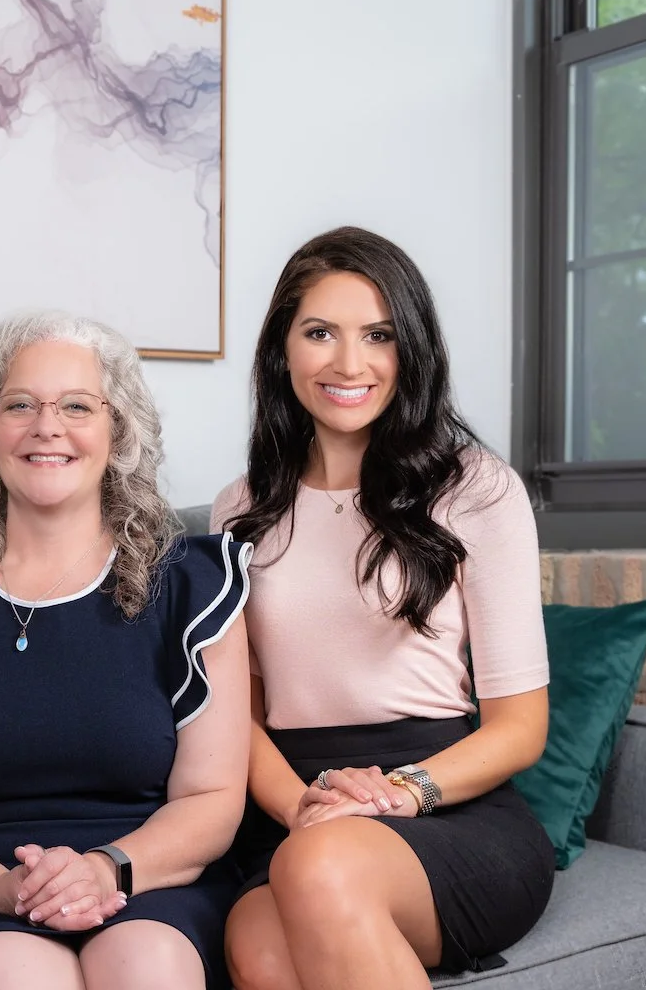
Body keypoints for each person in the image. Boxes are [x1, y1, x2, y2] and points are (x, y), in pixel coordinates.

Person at [0, 312, 253, 990]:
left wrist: (103, 869)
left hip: (149, 880)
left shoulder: (192, 585)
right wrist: (10, 888)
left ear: (116, 430)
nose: (47, 426)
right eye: (20, 405)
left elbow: (213, 797)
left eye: (76, 405)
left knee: (147, 971)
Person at [214, 226, 554, 989]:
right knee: (256, 939)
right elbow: (238, 714)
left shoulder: (475, 488)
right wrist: (307, 809)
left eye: (378, 335)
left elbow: (520, 726)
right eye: (318, 333)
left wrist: (401, 791)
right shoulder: (236, 512)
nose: (348, 363)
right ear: (282, 351)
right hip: (294, 807)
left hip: (449, 808)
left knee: (319, 869)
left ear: (411, 353)